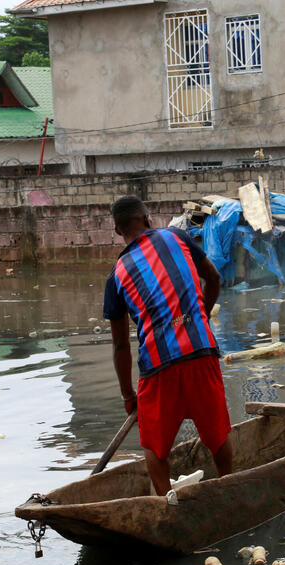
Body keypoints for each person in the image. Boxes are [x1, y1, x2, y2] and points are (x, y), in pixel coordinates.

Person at [103, 195, 232, 496]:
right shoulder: (178, 236)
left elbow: (120, 345)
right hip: (201, 352)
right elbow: (213, 277)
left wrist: (127, 395)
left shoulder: (116, 275)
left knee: (154, 448)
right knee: (219, 435)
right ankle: (229, 487)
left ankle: (164, 501)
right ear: (147, 219)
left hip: (158, 366)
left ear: (118, 231)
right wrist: (200, 318)